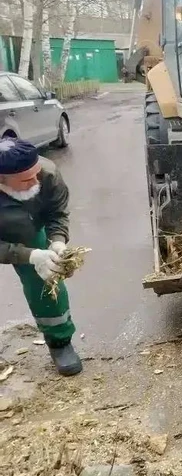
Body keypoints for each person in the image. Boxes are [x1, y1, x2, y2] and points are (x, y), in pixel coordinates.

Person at [0, 137, 82, 376]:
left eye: (36, 174)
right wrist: (28, 255)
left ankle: (60, 342)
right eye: (26, 180)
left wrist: (57, 240)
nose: (36, 181)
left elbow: (57, 212)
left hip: (28, 227)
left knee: (45, 277)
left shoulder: (47, 172)